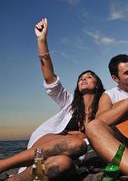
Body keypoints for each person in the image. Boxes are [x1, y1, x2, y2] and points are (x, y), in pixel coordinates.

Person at [0, 18, 105, 180]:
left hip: (58, 159)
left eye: (89, 77)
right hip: (40, 150)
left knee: (63, 164)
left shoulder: (103, 110)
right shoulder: (69, 102)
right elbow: (50, 77)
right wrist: (42, 40)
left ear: (97, 84)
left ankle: (14, 179)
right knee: (77, 143)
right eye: (80, 78)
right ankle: (3, 165)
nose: (83, 79)